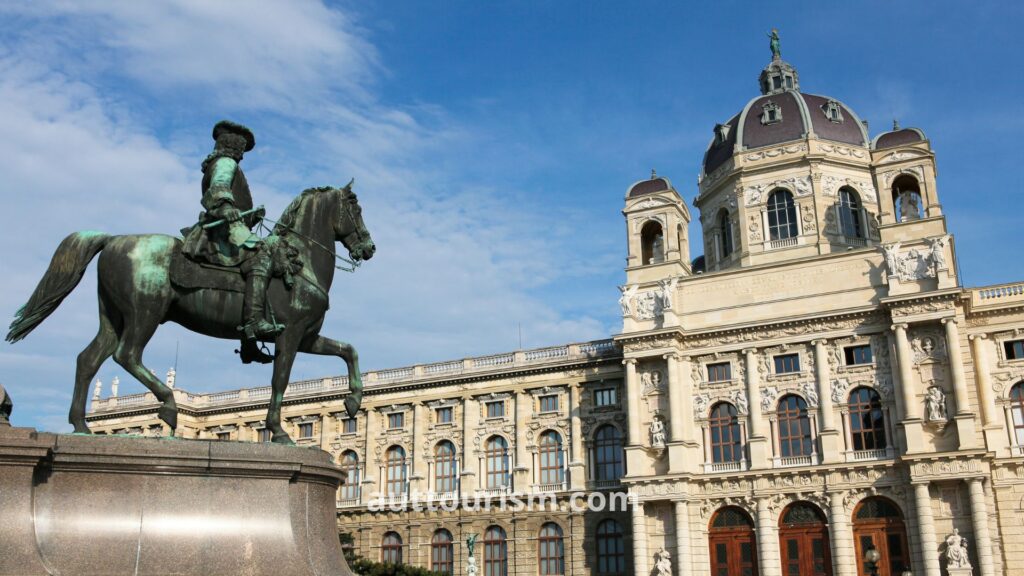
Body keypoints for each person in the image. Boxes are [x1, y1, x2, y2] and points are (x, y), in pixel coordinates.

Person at [181, 121, 284, 363]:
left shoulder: (220, 163)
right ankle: (254, 322)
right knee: (262, 256)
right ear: (231, 145)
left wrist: (250, 214)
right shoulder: (226, 163)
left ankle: (248, 345)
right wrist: (226, 207)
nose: (241, 152)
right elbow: (218, 188)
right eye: (241, 147)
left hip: (231, 226)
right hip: (225, 231)